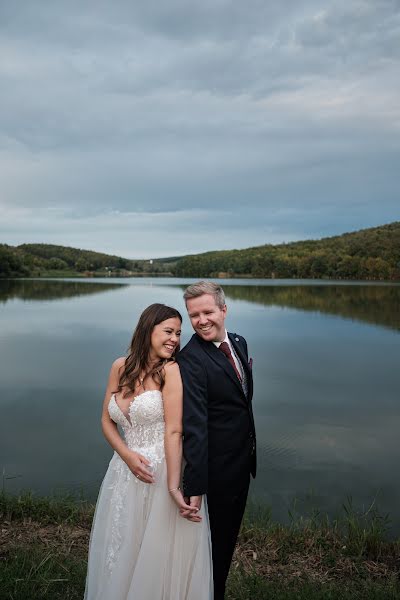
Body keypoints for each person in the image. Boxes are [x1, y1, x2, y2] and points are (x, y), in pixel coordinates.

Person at [84, 303, 213, 600]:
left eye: (179, 334)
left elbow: (174, 430)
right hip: (123, 470)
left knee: (156, 552)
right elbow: (106, 420)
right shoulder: (120, 366)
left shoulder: (171, 371)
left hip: (162, 469)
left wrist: (172, 484)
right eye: (168, 331)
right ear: (147, 329)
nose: (175, 339)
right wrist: (127, 456)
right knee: (122, 544)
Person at [176, 282, 256, 600]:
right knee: (213, 551)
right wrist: (195, 486)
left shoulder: (239, 343)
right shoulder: (190, 360)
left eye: (208, 312)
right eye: (194, 315)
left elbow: (241, 403)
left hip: (242, 465)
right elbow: (194, 426)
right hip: (215, 473)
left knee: (227, 546)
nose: (201, 320)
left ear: (224, 310)